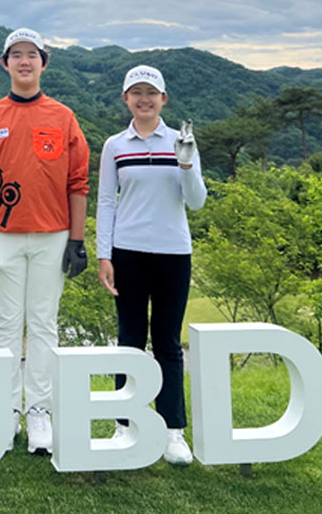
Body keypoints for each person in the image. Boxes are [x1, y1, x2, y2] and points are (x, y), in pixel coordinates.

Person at [0, 27, 90, 455]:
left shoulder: (63, 117)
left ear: (43, 63)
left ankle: (39, 411)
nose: (24, 61)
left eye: (32, 54)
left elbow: (78, 182)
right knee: (6, 323)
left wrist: (77, 240)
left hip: (53, 234)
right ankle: (5, 411)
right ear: (5, 64)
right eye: (16, 54)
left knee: (44, 323)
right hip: (2, 232)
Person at [95, 64, 206, 466]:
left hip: (173, 252)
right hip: (128, 252)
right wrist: (104, 255)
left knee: (167, 343)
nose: (144, 99)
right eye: (137, 92)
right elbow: (106, 201)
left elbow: (196, 201)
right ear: (126, 98)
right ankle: (124, 425)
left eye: (151, 93)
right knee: (129, 339)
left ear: (164, 99)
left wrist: (186, 164)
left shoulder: (181, 141)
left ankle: (173, 430)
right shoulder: (115, 146)